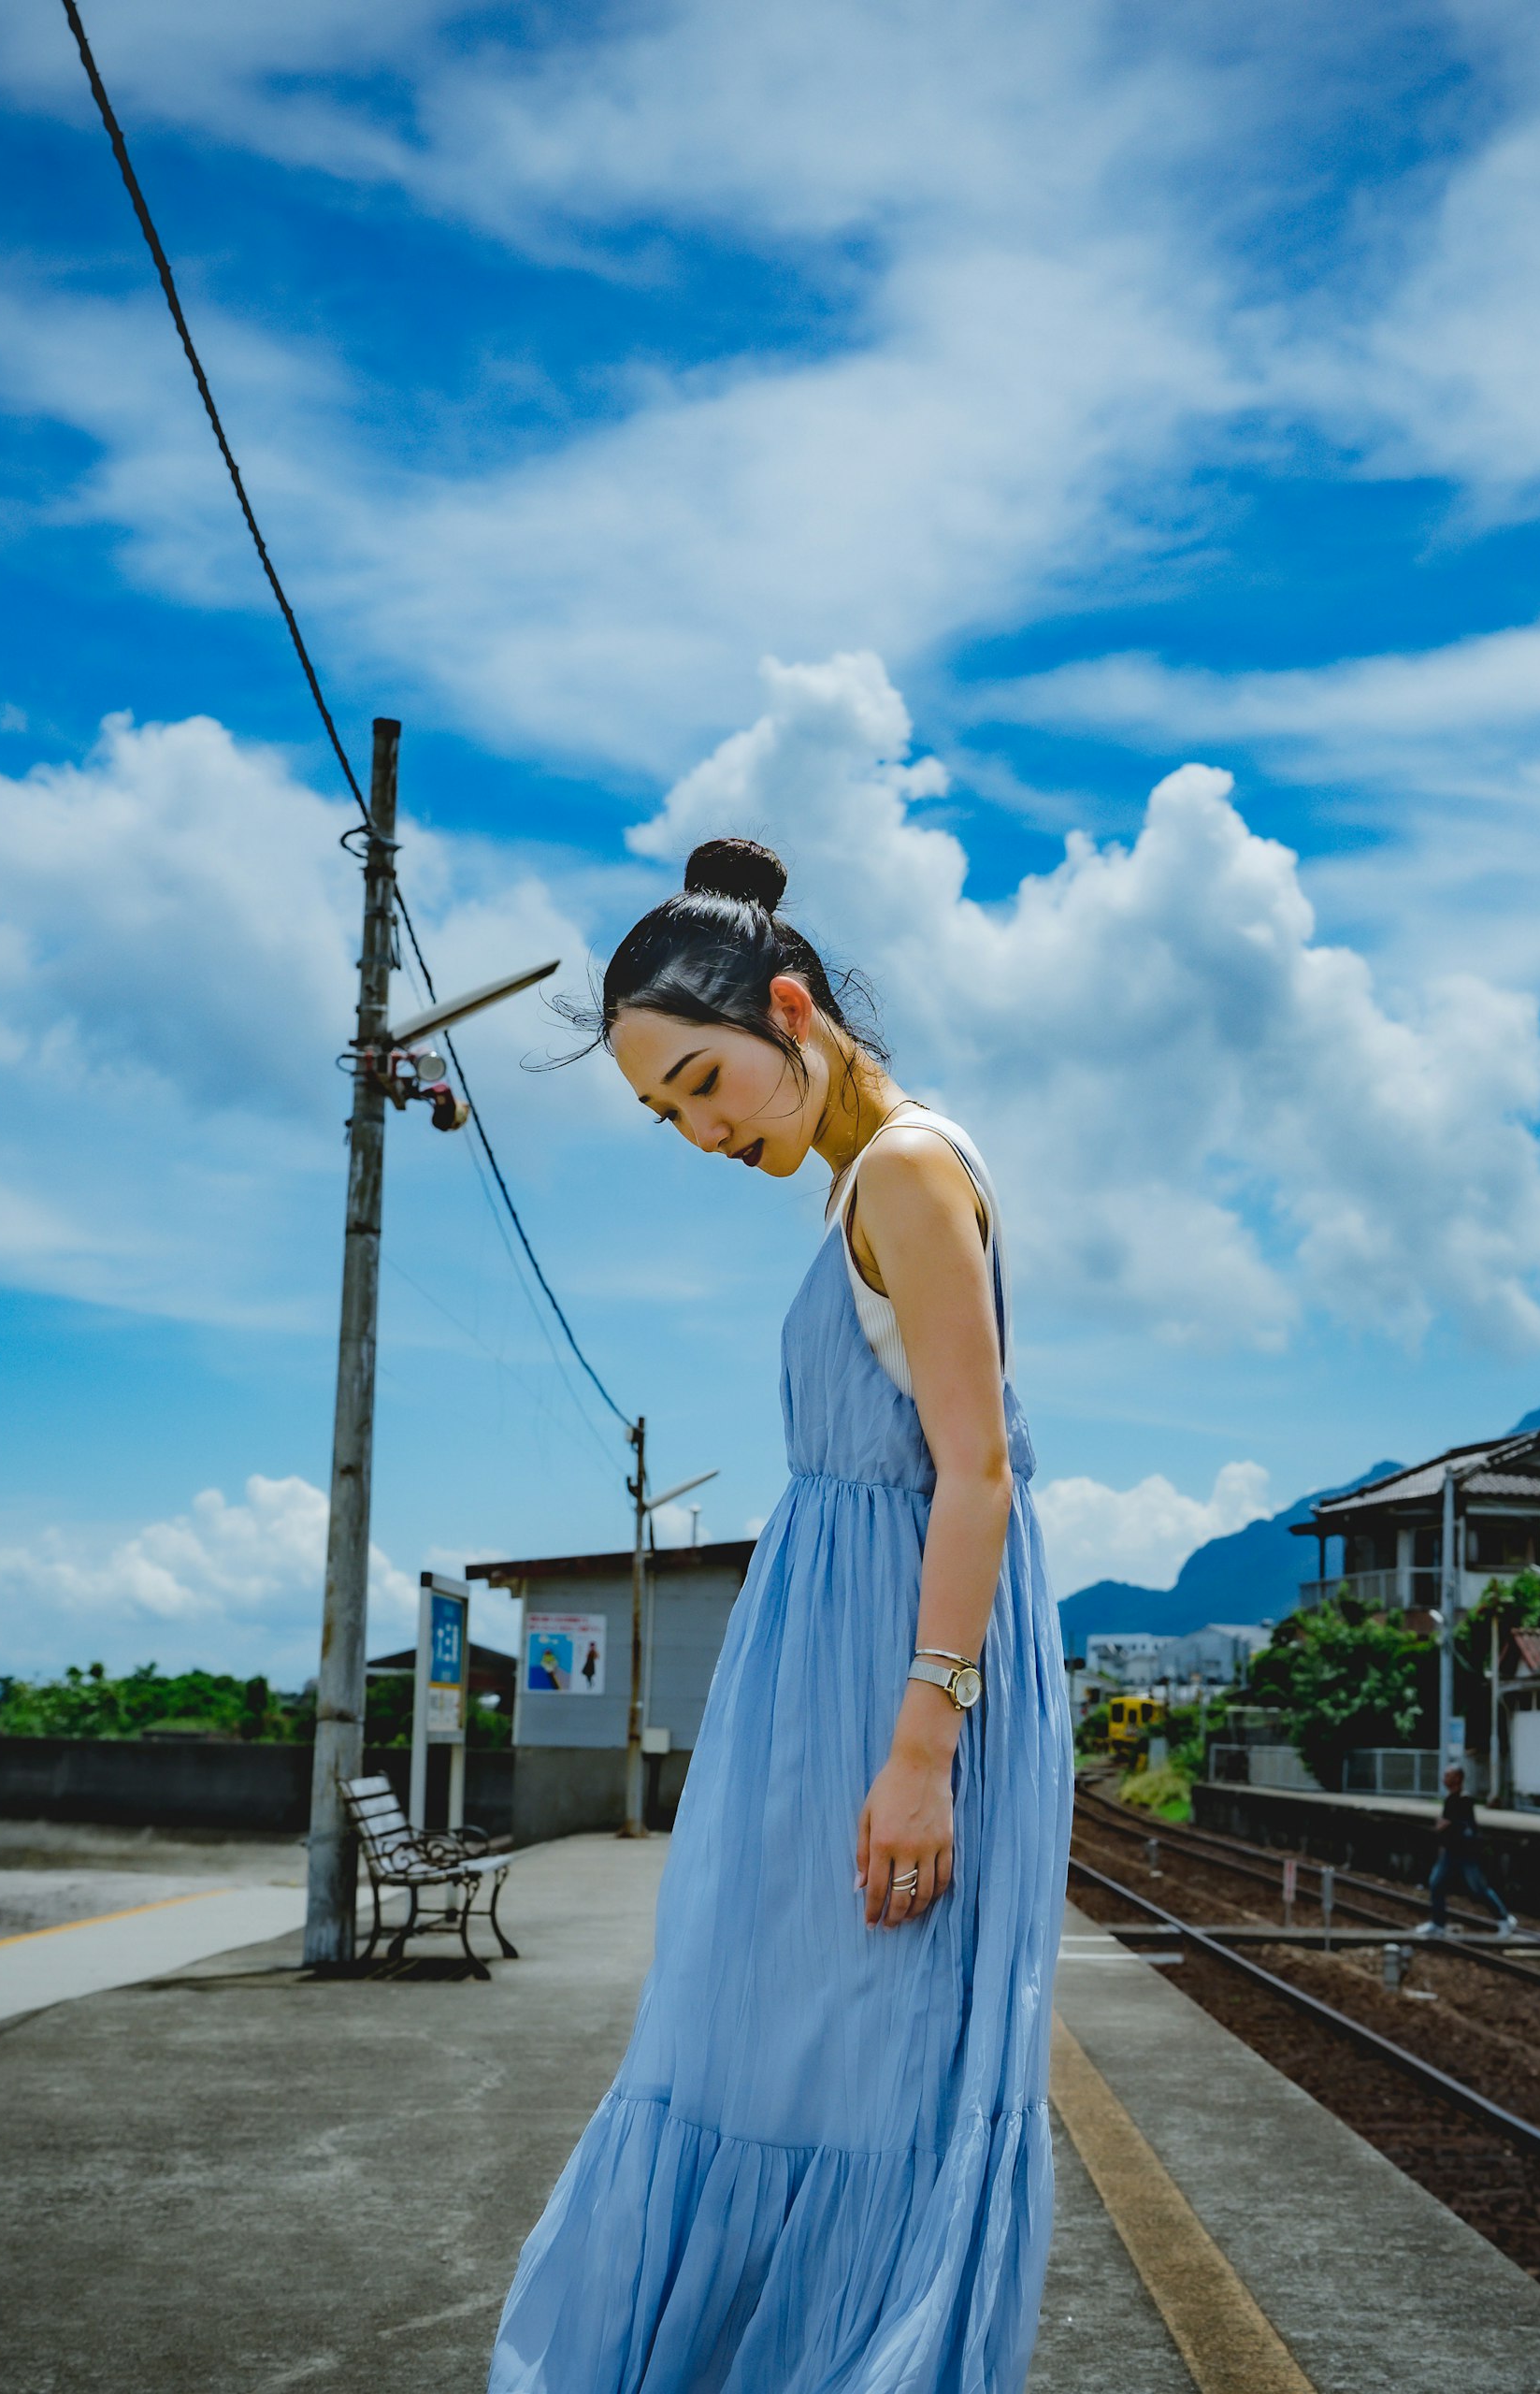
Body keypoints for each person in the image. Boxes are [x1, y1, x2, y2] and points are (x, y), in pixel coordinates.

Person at [488, 838, 1068, 2394]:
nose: (696, 1129)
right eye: (666, 1110)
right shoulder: (861, 1188)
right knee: (784, 2049)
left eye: (702, 1082)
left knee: (860, 2063)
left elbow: (979, 1478)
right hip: (836, 1693)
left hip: (892, 1698)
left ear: (790, 1012)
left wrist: (921, 1753)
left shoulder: (910, 1171)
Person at [1424, 1764, 1515, 1936]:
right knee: (1436, 1884)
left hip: (1466, 1854)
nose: (1444, 1778)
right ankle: (1438, 1924)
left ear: (1457, 1778)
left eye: (1448, 1775)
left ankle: (1504, 1920)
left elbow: (1469, 1828)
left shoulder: (1465, 1800)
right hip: (1450, 1852)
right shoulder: (1450, 1799)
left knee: (1479, 1889)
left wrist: (1448, 1824)